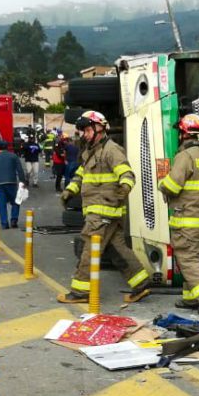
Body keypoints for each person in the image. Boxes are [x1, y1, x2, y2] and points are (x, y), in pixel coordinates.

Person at [58, 110, 152, 304]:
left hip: (103, 212)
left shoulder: (111, 150)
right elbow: (80, 176)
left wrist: (124, 189)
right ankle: (141, 283)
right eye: (83, 131)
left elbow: (127, 175)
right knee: (118, 250)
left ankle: (81, 291)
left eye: (87, 130)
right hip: (104, 212)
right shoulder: (90, 152)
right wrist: (69, 190)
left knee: (88, 249)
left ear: (99, 128)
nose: (84, 134)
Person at [159, 113, 199, 314]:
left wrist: (162, 183)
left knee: (187, 258)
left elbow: (172, 185)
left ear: (184, 134)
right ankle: (191, 298)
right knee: (195, 256)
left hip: (185, 218)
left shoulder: (185, 156)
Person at [0, 140, 27, 229]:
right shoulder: (13, 156)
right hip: (11, 183)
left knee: (2, 204)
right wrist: (22, 181)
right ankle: (14, 219)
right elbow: (20, 170)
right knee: (15, 202)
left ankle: (4, 223)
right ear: (7, 147)